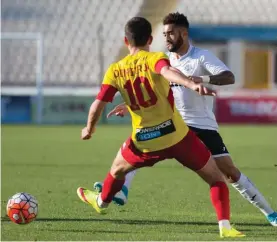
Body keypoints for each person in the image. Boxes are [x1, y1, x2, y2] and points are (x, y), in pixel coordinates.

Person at [94, 12, 277, 227]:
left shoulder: (201, 57)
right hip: (173, 125)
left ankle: (270, 213)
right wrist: (129, 105)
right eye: (164, 33)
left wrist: (203, 78)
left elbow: (229, 76)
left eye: (171, 33)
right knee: (138, 143)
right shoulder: (162, 60)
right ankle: (121, 190)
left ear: (184, 33)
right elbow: (155, 91)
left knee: (229, 172)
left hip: (201, 126)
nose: (167, 37)